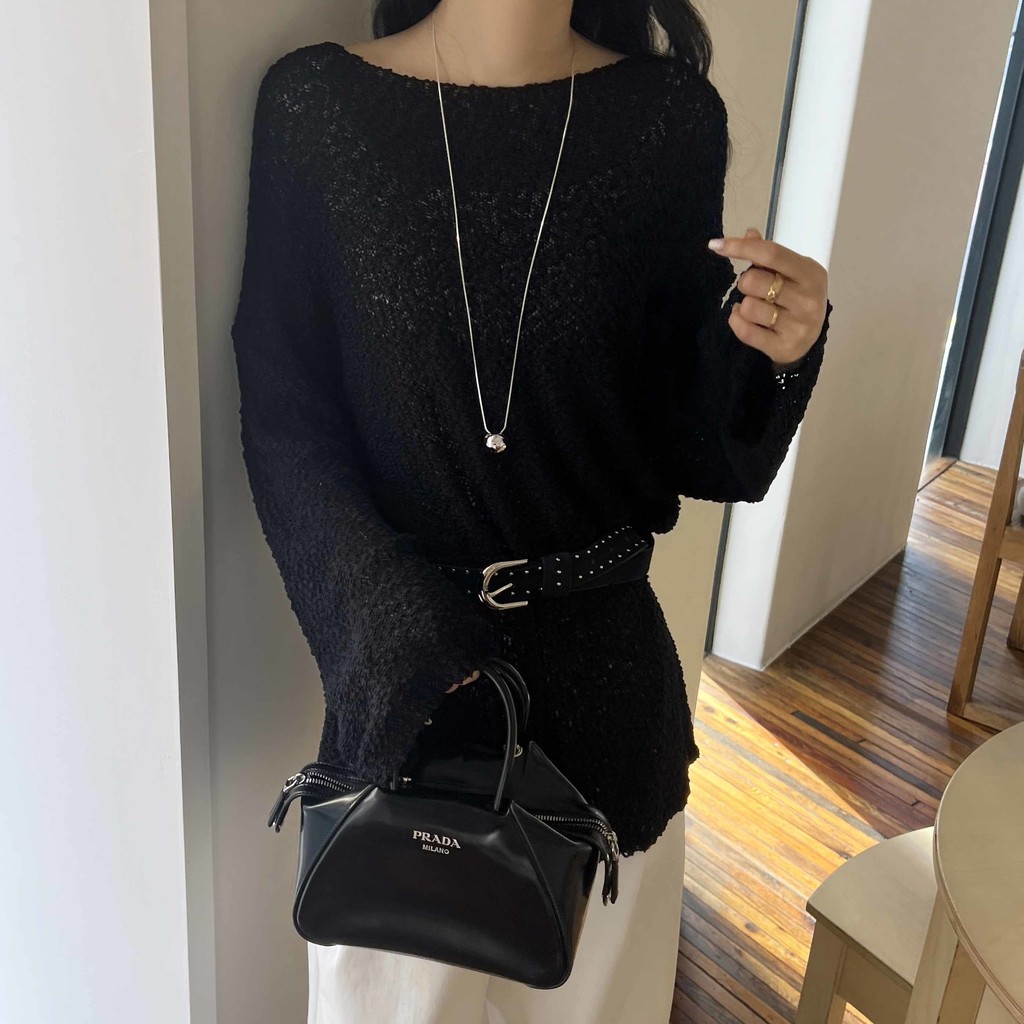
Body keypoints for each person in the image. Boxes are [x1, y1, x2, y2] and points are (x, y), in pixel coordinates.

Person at [230, 0, 832, 1021]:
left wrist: (774, 355)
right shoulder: (316, 107)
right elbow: (286, 420)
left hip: (609, 722)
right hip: (406, 714)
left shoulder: (667, 120)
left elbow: (694, 446)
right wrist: (395, 637)